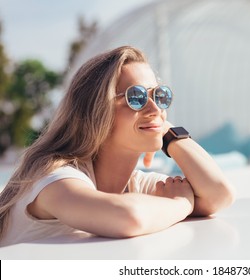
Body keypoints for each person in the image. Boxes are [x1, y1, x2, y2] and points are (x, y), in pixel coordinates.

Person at [0, 46, 235, 247]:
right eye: (136, 98)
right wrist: (180, 203)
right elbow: (128, 217)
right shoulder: (54, 178)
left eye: (159, 96)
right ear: (96, 112)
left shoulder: (133, 185)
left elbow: (219, 194)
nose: (155, 108)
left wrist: (169, 135)